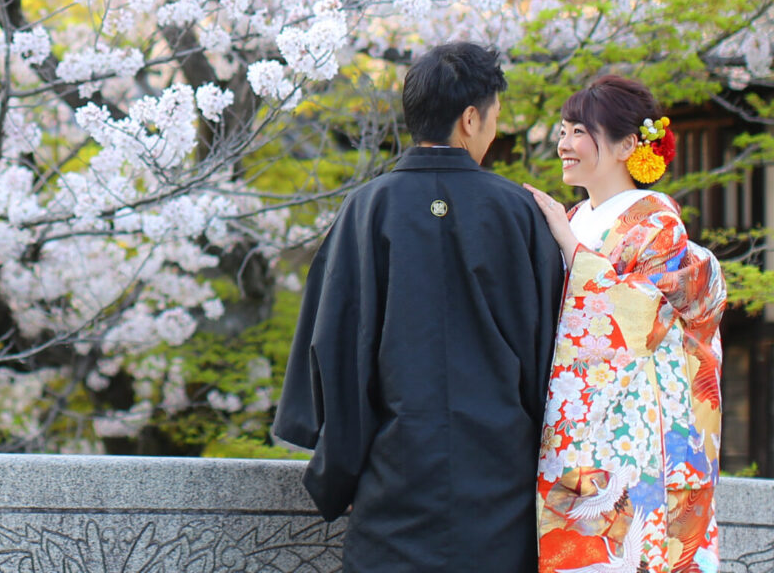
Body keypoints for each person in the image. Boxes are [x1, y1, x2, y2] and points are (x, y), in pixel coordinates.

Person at [275, 41, 564, 573]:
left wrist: (338, 471)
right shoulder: (519, 212)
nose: (495, 130)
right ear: (470, 119)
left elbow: (335, 345)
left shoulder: (367, 208)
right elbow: (554, 356)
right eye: (495, 116)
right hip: (501, 492)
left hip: (393, 485)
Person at [524, 75, 727, 573]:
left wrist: (571, 250)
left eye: (578, 131)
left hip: (633, 434)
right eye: (564, 130)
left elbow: (644, 320)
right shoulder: (576, 216)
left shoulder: (657, 222)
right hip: (580, 425)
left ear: (627, 145)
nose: (563, 144)